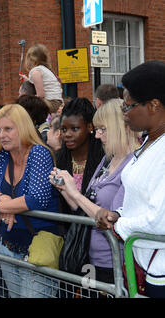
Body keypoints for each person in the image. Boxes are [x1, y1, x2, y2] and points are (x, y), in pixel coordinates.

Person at [50, 98, 140, 284]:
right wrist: (66, 189)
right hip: (91, 257)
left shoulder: (133, 164)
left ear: (118, 127)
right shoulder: (109, 159)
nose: (97, 135)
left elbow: (109, 217)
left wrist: (74, 192)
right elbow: (83, 207)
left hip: (116, 262)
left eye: (102, 129)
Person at [96, 60, 165, 298]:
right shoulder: (149, 141)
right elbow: (144, 199)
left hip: (160, 271)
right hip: (145, 264)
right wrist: (120, 213)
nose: (124, 114)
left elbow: (160, 220)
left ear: (154, 105)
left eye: (128, 107)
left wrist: (118, 225)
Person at [0, 104, 60, 298]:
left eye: (8, 129)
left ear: (23, 127)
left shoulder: (39, 153)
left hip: (37, 249)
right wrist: (3, 200)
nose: (2, 135)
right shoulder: (3, 155)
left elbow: (36, 199)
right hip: (6, 247)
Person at [56, 98, 105, 214]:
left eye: (75, 129)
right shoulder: (58, 159)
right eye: (63, 129)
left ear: (89, 127)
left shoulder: (104, 159)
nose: (67, 134)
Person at [20, 44, 63, 114]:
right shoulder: (44, 69)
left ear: (30, 59)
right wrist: (27, 80)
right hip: (56, 101)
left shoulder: (35, 72)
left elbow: (40, 95)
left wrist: (27, 100)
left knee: (24, 106)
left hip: (51, 102)